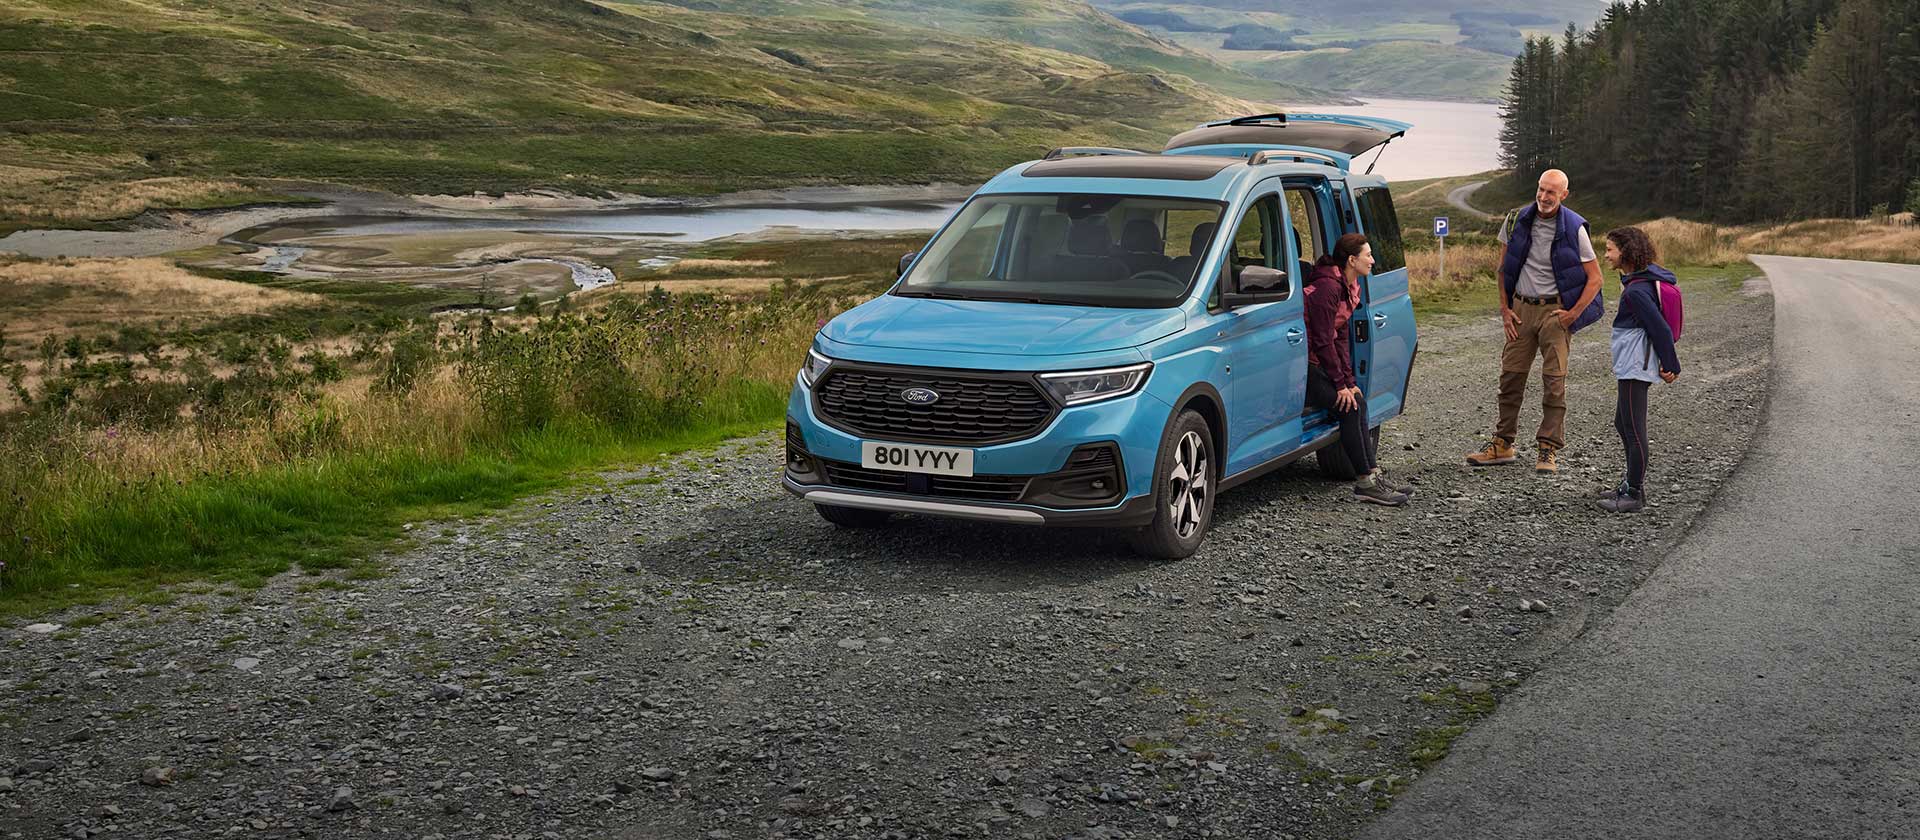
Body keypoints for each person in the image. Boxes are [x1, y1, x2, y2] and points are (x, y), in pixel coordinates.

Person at [1465, 169, 1605, 473]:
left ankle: (1548, 449)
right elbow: (1503, 269)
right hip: (1520, 311)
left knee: (1554, 383)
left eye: (1551, 192)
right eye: (1541, 189)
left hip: (1555, 315)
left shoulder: (1574, 228)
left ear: (1563, 195)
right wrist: (1504, 309)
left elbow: (1596, 279)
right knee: (1510, 379)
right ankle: (1503, 444)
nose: (1543, 197)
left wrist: (1573, 314)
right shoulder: (1516, 220)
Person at [1305, 233, 1411, 506]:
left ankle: (1372, 475)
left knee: (1359, 400)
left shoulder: (1350, 287)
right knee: (1349, 407)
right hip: (1303, 366)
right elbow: (1322, 340)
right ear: (1352, 260)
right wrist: (1339, 384)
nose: (1373, 260)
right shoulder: (1328, 288)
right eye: (1368, 255)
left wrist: (1350, 382)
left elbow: (1340, 337)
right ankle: (1365, 482)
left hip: (1320, 361)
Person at [1597, 226, 1680, 513]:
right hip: (1631, 362)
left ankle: (1634, 493)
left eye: (1610, 250)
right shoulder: (1636, 282)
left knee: (1633, 429)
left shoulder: (1637, 291)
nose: (1606, 255)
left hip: (1636, 364)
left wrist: (1671, 365)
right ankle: (1630, 483)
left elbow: (1660, 329)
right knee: (1623, 423)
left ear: (1626, 252)